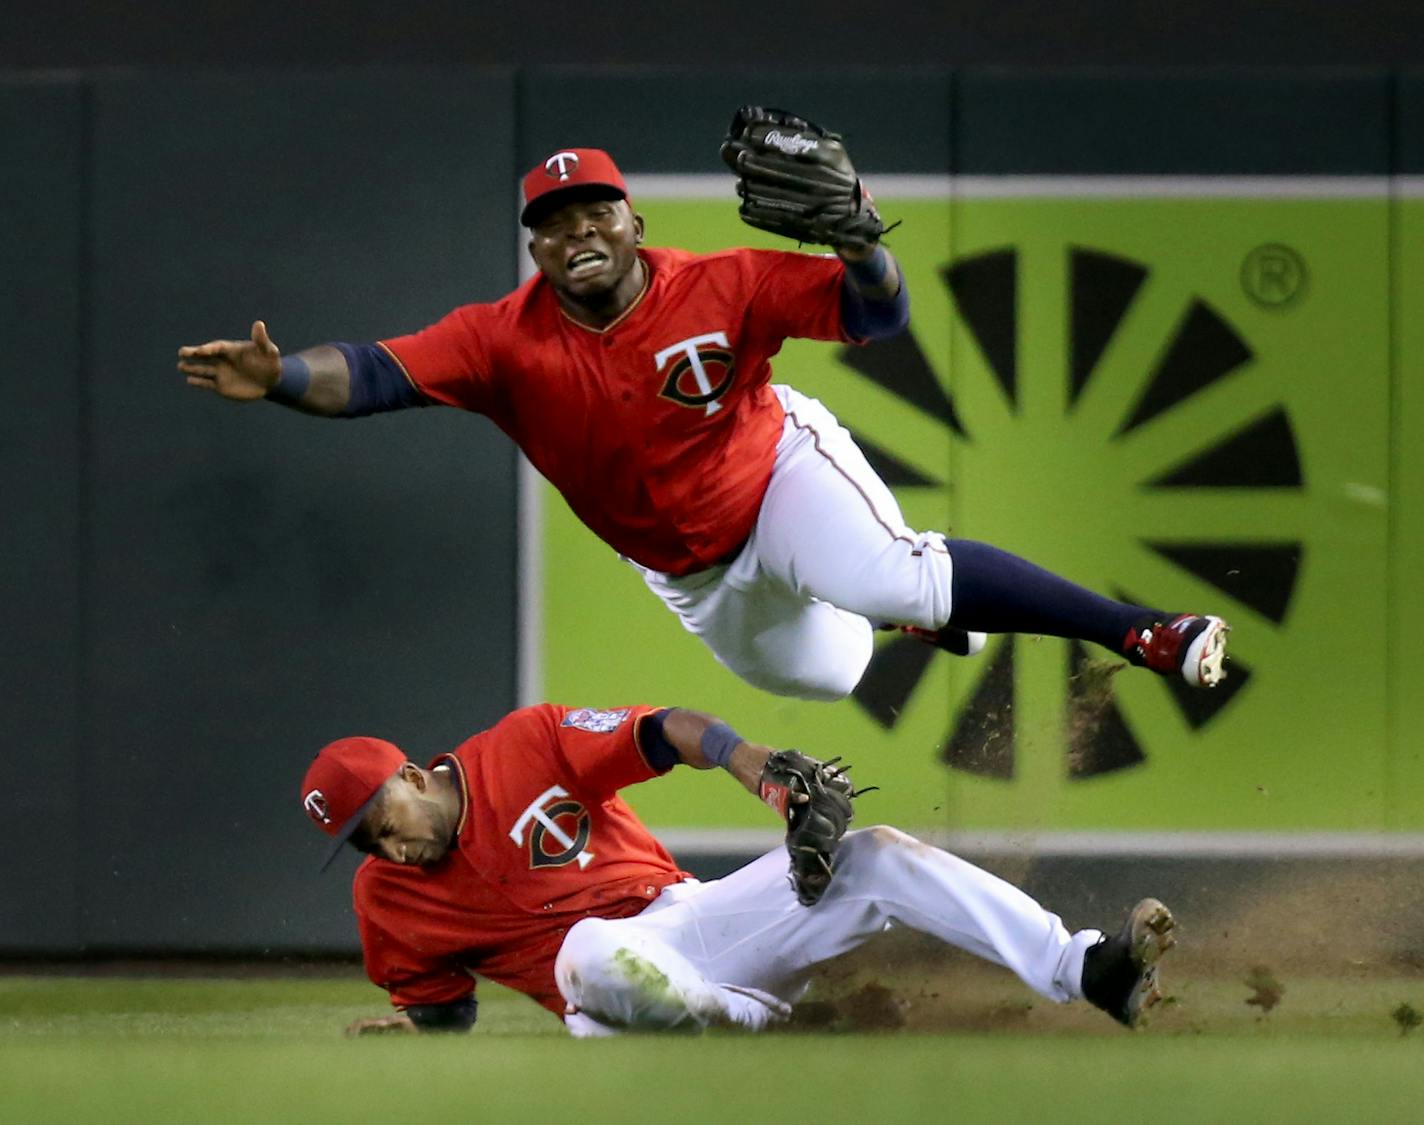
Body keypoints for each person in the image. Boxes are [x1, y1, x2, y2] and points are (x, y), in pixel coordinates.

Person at [182, 144, 1229, 702]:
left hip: (771, 473)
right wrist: (278, 377)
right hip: (686, 572)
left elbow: (880, 312)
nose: (576, 229)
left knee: (888, 575)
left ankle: (1140, 631)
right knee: (826, 676)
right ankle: (899, 616)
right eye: (552, 223)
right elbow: (365, 375)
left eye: (594, 211)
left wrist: (864, 246)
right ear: (535, 252)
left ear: (634, 221)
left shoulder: (720, 283)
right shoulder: (499, 340)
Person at [301, 700, 1177, 1036]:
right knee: (586, 957)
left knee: (873, 854)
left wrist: (757, 767)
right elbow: (442, 1008)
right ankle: (761, 1025)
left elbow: (662, 728)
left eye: (382, 821)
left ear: (413, 776)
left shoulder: (522, 746)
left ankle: (1085, 966)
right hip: (610, 1000)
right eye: (365, 842)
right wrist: (415, 1036)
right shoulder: (386, 899)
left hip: (696, 919)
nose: (388, 848)